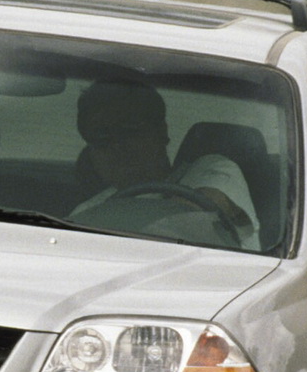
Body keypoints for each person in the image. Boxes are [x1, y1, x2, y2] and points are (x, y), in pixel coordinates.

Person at [68, 78, 259, 249]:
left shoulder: (212, 170)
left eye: (129, 131)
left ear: (161, 132)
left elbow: (186, 217)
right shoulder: (88, 210)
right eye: (102, 137)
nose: (117, 145)